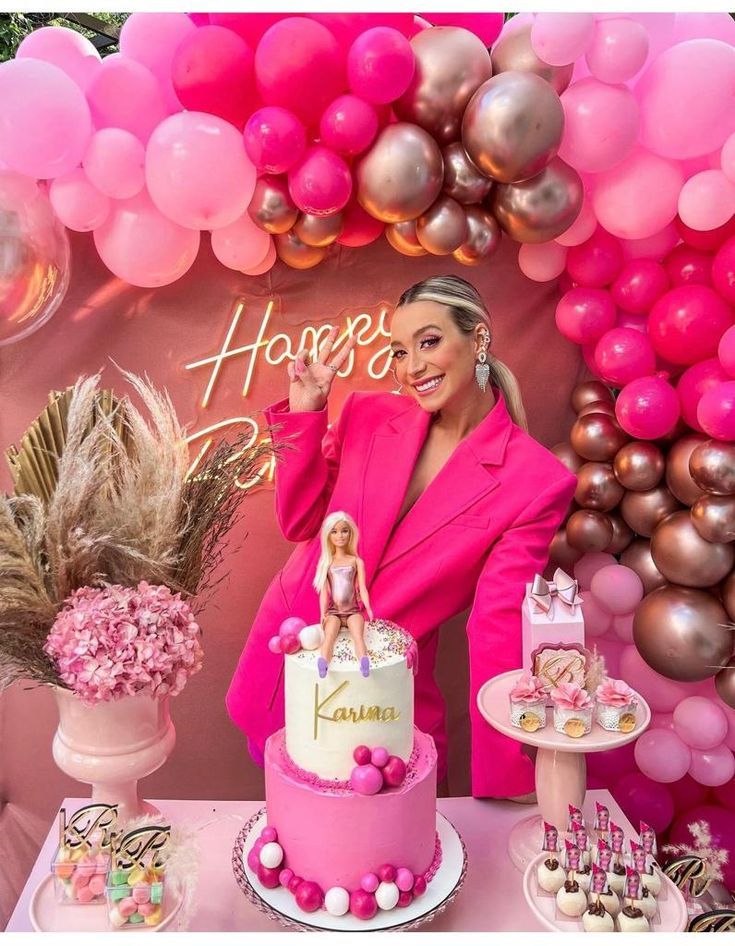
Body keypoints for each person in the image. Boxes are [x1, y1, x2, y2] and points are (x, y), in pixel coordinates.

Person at [227, 275, 577, 799]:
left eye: (429, 342)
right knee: (296, 831)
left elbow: (496, 624)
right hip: (285, 659)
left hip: (379, 702)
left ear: (478, 339)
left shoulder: (536, 480)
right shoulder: (367, 415)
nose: (412, 367)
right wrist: (306, 411)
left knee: (375, 850)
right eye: (398, 351)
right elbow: (300, 524)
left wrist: (504, 770)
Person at [314, 510, 373, 678]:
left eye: (344, 531)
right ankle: (323, 663)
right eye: (334, 531)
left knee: (358, 635)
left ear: (350, 533)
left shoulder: (356, 561)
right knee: (329, 636)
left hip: (354, 611)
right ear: (328, 536)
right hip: (334, 612)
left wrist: (368, 608)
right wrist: (322, 614)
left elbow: (362, 587)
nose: (340, 536)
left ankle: (364, 663)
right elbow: (324, 593)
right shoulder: (327, 562)